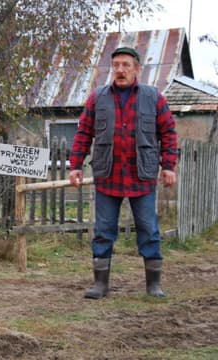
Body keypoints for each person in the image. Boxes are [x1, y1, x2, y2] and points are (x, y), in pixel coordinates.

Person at [68, 46, 178, 299]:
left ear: (136, 69)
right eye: (116, 65)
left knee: (149, 229)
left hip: (143, 175)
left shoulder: (154, 97)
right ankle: (100, 285)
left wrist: (169, 166)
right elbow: (84, 132)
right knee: (104, 230)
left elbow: (169, 134)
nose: (120, 70)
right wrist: (75, 165)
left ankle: (153, 285)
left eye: (126, 65)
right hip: (108, 175)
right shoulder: (98, 97)